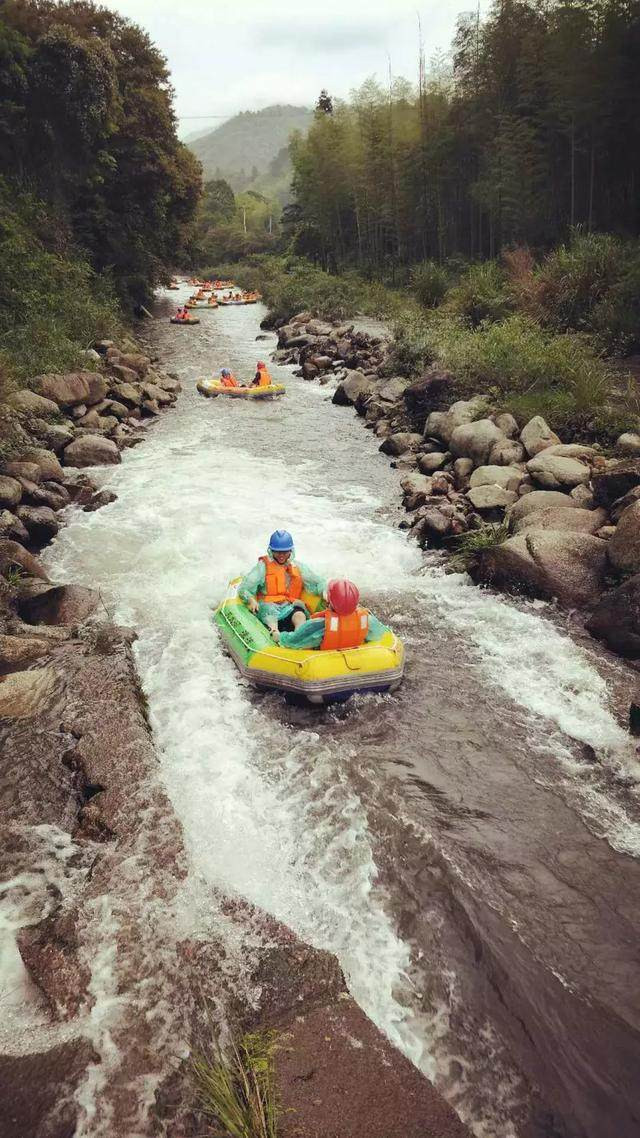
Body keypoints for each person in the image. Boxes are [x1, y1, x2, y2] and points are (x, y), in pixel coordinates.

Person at [239, 530, 326, 643]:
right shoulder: (263, 566)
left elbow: (316, 582)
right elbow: (245, 587)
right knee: (269, 613)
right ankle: (274, 632)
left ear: (291, 550)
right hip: (268, 605)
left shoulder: (297, 567)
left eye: (285, 552)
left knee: (299, 613)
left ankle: (299, 635)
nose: (281, 556)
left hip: (289, 605)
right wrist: (250, 599)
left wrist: (325, 592)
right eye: (278, 552)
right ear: (271, 550)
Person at [278, 579, 388, 650]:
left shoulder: (318, 625)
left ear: (329, 601)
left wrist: (280, 636)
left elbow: (293, 642)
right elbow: (380, 634)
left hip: (322, 663)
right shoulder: (367, 620)